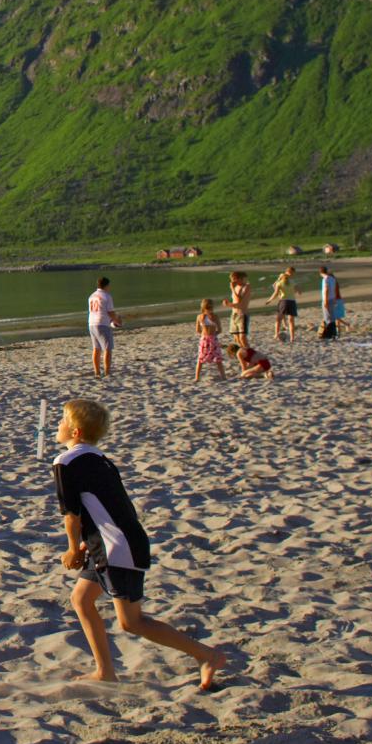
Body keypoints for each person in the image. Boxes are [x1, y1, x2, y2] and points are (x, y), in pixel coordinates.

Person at [53, 399, 229, 690]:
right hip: (115, 542)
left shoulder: (66, 462)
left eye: (62, 421)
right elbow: (111, 506)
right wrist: (89, 543)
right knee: (81, 600)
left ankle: (207, 655)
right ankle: (105, 671)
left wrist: (73, 548)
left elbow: (71, 515)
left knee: (132, 623)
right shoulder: (100, 458)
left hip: (116, 547)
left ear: (76, 432)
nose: (57, 425)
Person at [87, 277, 121, 377]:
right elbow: (110, 312)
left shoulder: (91, 296)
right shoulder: (106, 296)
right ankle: (107, 372)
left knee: (96, 348)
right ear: (106, 285)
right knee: (107, 349)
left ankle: (97, 372)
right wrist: (116, 320)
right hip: (102, 323)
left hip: (91, 323)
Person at [193, 299, 227, 382]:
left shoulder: (205, 316)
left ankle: (198, 377)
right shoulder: (208, 316)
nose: (210, 309)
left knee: (208, 359)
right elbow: (219, 330)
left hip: (207, 339)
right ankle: (197, 377)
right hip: (209, 339)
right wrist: (211, 334)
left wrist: (207, 334)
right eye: (209, 307)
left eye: (210, 307)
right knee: (208, 359)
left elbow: (198, 330)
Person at [268, 267, 299, 343]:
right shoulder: (291, 280)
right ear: (290, 272)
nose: (293, 274)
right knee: (290, 320)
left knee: (279, 319)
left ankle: (276, 334)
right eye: (292, 273)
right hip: (291, 301)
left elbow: (274, 287)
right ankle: (292, 338)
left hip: (283, 300)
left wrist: (270, 300)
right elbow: (297, 290)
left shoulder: (286, 280)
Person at [223, 271, 252, 349]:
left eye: (234, 279)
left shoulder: (246, 287)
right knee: (237, 338)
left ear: (239, 279)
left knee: (242, 338)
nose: (232, 281)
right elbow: (235, 301)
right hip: (234, 314)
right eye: (231, 279)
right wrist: (229, 304)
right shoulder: (236, 287)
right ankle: (244, 354)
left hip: (242, 314)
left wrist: (232, 289)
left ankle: (250, 353)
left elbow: (240, 302)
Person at [319, 264, 347, 339]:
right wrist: (334, 298)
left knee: (327, 317)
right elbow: (334, 289)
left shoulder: (325, 279)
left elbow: (326, 290)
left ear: (321, 273)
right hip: (333, 298)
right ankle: (333, 333)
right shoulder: (332, 279)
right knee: (332, 317)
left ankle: (329, 334)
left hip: (327, 299)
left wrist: (325, 300)